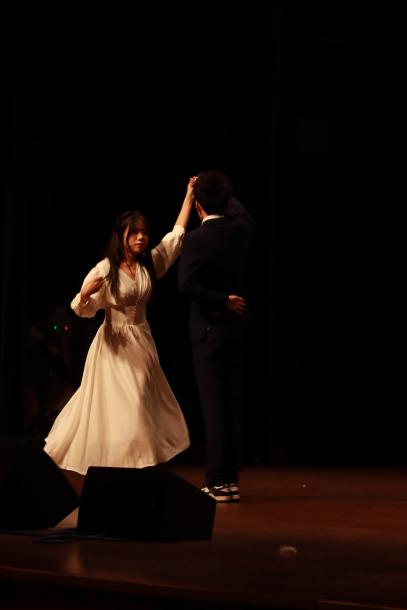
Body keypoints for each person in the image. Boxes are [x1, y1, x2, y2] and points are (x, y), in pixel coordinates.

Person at [43, 179, 196, 475]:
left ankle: (133, 467)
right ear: (121, 235)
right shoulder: (106, 269)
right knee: (122, 407)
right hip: (113, 346)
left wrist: (189, 197)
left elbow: (175, 237)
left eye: (144, 232)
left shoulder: (149, 265)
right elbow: (83, 308)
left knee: (139, 403)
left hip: (142, 342)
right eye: (134, 232)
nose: (141, 238)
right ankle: (120, 468)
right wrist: (85, 294)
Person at [178, 169, 255, 502]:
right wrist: (221, 193)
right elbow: (242, 213)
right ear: (226, 201)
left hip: (208, 330)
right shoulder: (240, 230)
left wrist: (221, 300)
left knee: (214, 407)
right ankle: (230, 479)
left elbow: (186, 285)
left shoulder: (196, 240)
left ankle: (217, 481)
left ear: (198, 206)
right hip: (236, 328)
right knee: (232, 404)